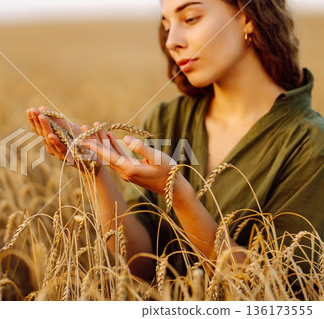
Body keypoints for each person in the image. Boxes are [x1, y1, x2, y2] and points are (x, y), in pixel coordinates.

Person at [26, 0, 324, 281]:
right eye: (167, 24)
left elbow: (280, 291)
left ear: (248, 17)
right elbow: (141, 267)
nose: (171, 41)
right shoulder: (167, 120)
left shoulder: (310, 143)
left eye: (190, 18)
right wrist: (94, 173)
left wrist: (180, 197)